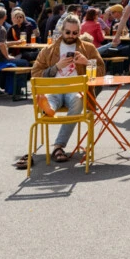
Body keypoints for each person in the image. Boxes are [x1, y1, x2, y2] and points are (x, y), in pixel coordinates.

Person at [26, 15, 104, 164]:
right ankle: (48, 109)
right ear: (62, 31)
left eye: (75, 33)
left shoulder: (88, 48)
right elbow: (35, 73)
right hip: (54, 88)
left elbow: (101, 70)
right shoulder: (49, 50)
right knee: (51, 100)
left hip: (75, 90)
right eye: (68, 32)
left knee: (78, 99)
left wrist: (87, 63)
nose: (71, 36)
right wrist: (56, 67)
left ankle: (58, 144)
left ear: (79, 32)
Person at [0, 6, 30, 92]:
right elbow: (1, 44)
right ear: (5, 17)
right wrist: (7, 56)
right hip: (0, 60)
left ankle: (6, 86)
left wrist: (16, 42)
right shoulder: (1, 29)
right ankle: (17, 89)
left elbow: (3, 43)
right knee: (24, 62)